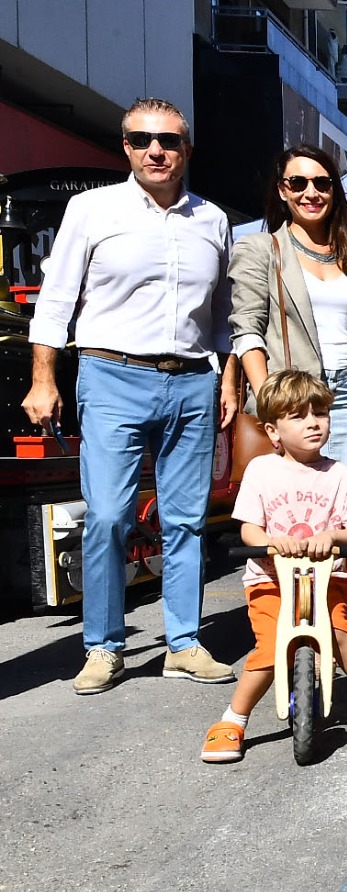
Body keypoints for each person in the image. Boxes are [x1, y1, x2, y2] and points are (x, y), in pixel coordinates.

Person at [22, 97, 237, 694]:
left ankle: (184, 644)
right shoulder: (91, 209)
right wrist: (43, 379)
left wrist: (228, 378)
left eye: (168, 141)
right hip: (111, 375)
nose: (155, 151)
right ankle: (104, 646)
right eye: (142, 140)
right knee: (109, 515)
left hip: (192, 380)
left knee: (186, 520)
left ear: (187, 149)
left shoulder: (212, 219)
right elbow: (55, 301)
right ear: (126, 147)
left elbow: (222, 313)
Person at [200, 371, 347, 762]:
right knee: (271, 647)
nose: (313, 423)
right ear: (273, 431)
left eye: (319, 413)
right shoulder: (261, 471)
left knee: (341, 634)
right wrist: (271, 541)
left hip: (327, 579)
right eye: (298, 416)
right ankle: (233, 720)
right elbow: (249, 529)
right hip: (271, 581)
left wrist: (333, 537)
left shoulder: (342, 475)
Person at [229, 144, 347, 476]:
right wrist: (271, 402)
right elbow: (247, 332)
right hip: (291, 398)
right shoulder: (260, 249)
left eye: (322, 183)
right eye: (298, 183)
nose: (311, 193)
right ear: (282, 190)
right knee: (294, 501)